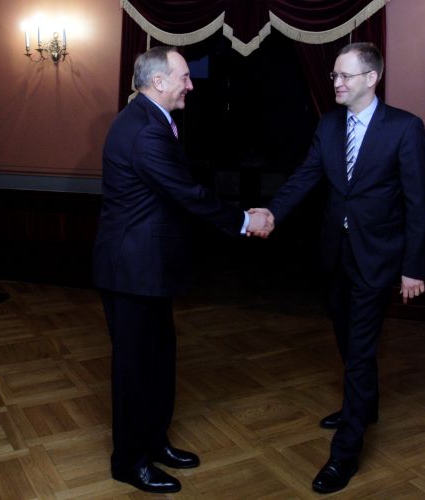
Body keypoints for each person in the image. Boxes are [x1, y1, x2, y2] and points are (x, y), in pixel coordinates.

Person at [253, 42, 425, 493]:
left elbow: (418, 203)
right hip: (335, 254)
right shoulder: (329, 125)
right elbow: (306, 175)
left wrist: (413, 268)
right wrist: (273, 212)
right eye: (334, 75)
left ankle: (345, 453)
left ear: (371, 78)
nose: (335, 82)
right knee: (347, 341)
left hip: (378, 258)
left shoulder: (405, 128)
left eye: (345, 76)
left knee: (361, 348)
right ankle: (364, 406)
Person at [93, 46, 272, 494]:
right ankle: (129, 461)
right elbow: (186, 193)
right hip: (132, 270)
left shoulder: (150, 120)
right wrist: (244, 221)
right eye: (185, 77)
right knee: (135, 370)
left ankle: (154, 441)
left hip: (147, 268)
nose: (191, 85)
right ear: (158, 82)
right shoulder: (143, 130)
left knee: (157, 361)